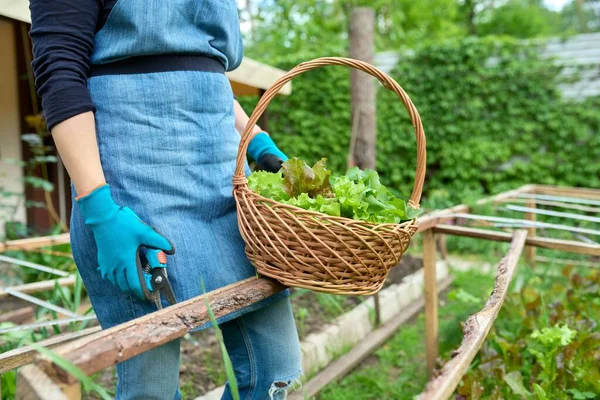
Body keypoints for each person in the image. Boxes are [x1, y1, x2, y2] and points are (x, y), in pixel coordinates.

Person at [29, 1, 302, 399]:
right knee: (150, 389)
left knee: (277, 373)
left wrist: (259, 141)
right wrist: (101, 212)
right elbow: (60, 71)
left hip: (222, 177)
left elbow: (202, 69)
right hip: (135, 182)